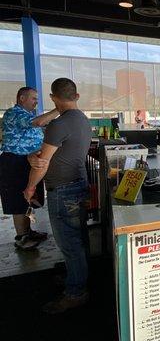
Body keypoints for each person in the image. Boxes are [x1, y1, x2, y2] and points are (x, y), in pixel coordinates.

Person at [24, 78, 92, 314]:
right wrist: (33, 156)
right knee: (78, 238)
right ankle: (78, 277)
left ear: (53, 98)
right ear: (77, 96)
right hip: (79, 184)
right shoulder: (83, 120)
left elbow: (42, 164)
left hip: (63, 190)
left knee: (69, 244)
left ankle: (76, 292)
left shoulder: (58, 124)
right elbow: (48, 154)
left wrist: (30, 187)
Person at [0, 87, 58, 250]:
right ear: (22, 98)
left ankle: (28, 231)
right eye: (33, 98)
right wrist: (59, 108)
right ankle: (21, 238)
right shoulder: (14, 113)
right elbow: (39, 122)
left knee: (29, 197)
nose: (36, 102)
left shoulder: (28, 115)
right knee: (18, 200)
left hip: (28, 161)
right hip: (15, 162)